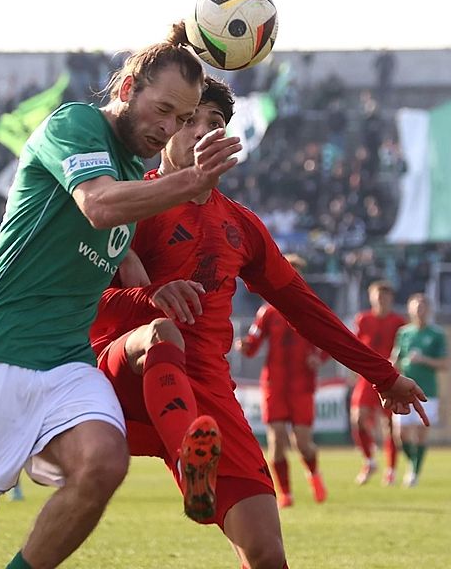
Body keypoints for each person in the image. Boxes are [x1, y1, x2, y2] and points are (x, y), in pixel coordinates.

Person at [0, 23, 242, 569]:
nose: (168, 129)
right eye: (162, 110)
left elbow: (118, 252)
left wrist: (156, 291)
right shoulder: (76, 123)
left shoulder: (134, 165)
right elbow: (100, 207)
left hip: (66, 360)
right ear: (129, 86)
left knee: (104, 464)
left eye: (181, 120)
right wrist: (190, 181)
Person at [90, 77, 428, 569]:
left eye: (216, 124)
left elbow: (305, 308)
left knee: (267, 553)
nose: (203, 132)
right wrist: (149, 296)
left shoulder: (241, 226)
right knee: (163, 333)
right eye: (189, 121)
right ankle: (189, 457)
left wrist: (384, 374)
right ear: (166, 130)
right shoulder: (129, 203)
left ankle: (196, 459)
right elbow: (85, 300)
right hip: (126, 371)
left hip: (206, 391)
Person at [236, 254, 329, 507]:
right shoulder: (267, 312)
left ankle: (313, 474)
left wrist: (318, 359)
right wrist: (245, 346)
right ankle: (285, 493)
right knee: (276, 441)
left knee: (302, 442)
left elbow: (329, 340)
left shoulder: (311, 307)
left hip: (301, 384)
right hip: (274, 383)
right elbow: (253, 346)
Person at [350, 280, 407, 485]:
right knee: (358, 419)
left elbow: (403, 349)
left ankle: (391, 470)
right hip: (366, 378)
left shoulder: (399, 322)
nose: (381, 300)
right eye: (377, 296)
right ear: (371, 298)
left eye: (384, 296)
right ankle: (369, 461)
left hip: (389, 378)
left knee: (390, 425)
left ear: (391, 298)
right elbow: (353, 344)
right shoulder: (363, 319)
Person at [393, 294, 448, 488]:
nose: (419, 311)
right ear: (410, 310)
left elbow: (444, 364)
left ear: (429, 310)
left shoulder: (436, 334)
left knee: (420, 432)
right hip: (404, 391)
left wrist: (423, 360)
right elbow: (396, 358)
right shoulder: (404, 333)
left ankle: (414, 472)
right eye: (416, 307)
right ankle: (412, 462)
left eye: (423, 307)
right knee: (400, 434)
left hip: (427, 391)